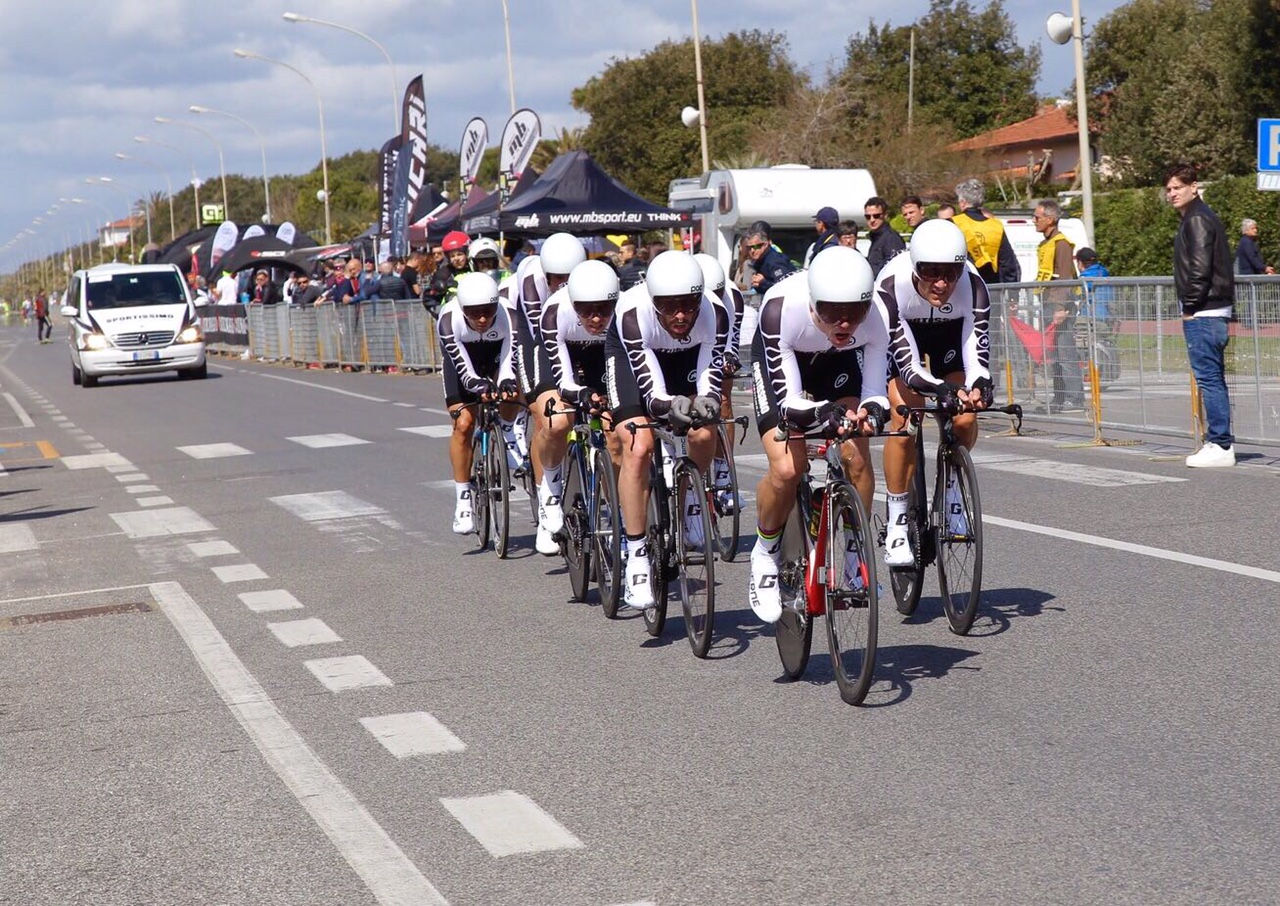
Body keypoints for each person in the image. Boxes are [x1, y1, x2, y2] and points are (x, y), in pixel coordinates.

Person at [747, 246, 889, 623]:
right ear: (813, 302)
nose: (844, 324)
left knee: (856, 455)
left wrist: (872, 412)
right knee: (787, 468)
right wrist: (824, 412)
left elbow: (876, 390)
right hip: (786, 356)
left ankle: (855, 554)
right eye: (832, 313)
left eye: (854, 313)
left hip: (837, 364)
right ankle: (765, 551)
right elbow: (790, 404)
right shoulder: (781, 310)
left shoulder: (876, 316)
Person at [606, 251, 725, 611]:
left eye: (689, 304)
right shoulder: (633, 312)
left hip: (685, 358)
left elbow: (710, 375)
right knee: (639, 445)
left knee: (704, 433)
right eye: (669, 306)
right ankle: (638, 552)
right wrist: (666, 408)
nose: (680, 315)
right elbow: (652, 390)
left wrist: (708, 400)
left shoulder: (715, 312)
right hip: (633, 360)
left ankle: (690, 501)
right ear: (653, 300)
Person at [878, 219, 992, 566]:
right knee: (904, 417)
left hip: (949, 338)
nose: (941, 283)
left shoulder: (973, 286)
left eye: (951, 273)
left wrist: (978, 384)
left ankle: (954, 490)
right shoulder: (890, 284)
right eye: (930, 272)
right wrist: (940, 388)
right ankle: (898, 518)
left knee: (964, 414)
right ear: (915, 266)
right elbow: (910, 368)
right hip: (903, 341)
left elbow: (977, 356)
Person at [530, 259, 622, 555]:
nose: (596, 318)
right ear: (573, 303)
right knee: (557, 420)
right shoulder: (556, 311)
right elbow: (565, 381)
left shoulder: (623, 313)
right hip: (560, 352)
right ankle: (551, 489)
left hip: (601, 353)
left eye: (603, 309)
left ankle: (614, 513)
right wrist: (581, 394)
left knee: (616, 432)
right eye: (586, 310)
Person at [437, 272, 521, 533]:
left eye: (488, 311)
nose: (483, 318)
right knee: (463, 423)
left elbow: (510, 358)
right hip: (464, 362)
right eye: (474, 313)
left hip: (496, 356)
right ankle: (462, 498)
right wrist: (478, 386)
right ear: (463, 309)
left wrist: (506, 381)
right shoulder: (449, 320)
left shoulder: (509, 315)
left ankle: (507, 434)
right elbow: (464, 371)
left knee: (513, 392)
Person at [1165, 163, 1236, 468]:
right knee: (1212, 378)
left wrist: (1190, 307)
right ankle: (1217, 441)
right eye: (1168, 189)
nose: (1172, 194)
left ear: (1194, 187)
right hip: (1209, 309)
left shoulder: (1196, 219)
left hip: (1205, 311)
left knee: (1209, 379)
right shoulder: (1197, 217)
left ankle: (1220, 444)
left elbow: (1200, 268)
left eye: (1178, 187)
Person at [694, 252, 744, 511]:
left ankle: (724, 471)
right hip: (686, 341)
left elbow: (731, 341)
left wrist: (729, 360)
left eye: (719, 292)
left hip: (713, 341)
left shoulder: (733, 297)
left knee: (723, 395)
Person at [1034, 199, 1083, 409]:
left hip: (1059, 307)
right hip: (1048, 305)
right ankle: (1060, 396)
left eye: (1037, 217)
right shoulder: (1045, 243)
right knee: (1053, 355)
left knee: (1066, 354)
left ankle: (1075, 397)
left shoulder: (1061, 244)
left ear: (1050, 219)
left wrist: (1061, 308)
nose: (1034, 221)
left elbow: (1064, 277)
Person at [952, 179, 1019, 283]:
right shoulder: (996, 226)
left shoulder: (954, 223)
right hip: (992, 288)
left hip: (963, 286)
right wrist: (1011, 293)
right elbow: (1008, 264)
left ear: (963, 202)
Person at [744, 223, 795, 297]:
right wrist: (758, 285)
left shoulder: (775, 261)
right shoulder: (759, 260)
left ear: (765, 244)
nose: (752, 250)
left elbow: (785, 287)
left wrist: (763, 282)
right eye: (749, 248)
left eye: (756, 246)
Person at [426, 231, 471, 312]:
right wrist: (440, 313)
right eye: (452, 256)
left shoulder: (475, 270)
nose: (456, 259)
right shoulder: (442, 274)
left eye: (460, 254)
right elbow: (429, 298)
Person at [864, 195, 906, 277]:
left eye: (876, 216)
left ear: (885, 215)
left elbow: (894, 270)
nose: (872, 220)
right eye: (868, 217)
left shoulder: (891, 238)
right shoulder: (876, 237)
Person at [1075, 247, 1114, 328]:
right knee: (1103, 339)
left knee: (1081, 336)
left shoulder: (1084, 279)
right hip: (1107, 316)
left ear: (1080, 263)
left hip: (1089, 317)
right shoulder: (1104, 273)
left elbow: (1075, 294)